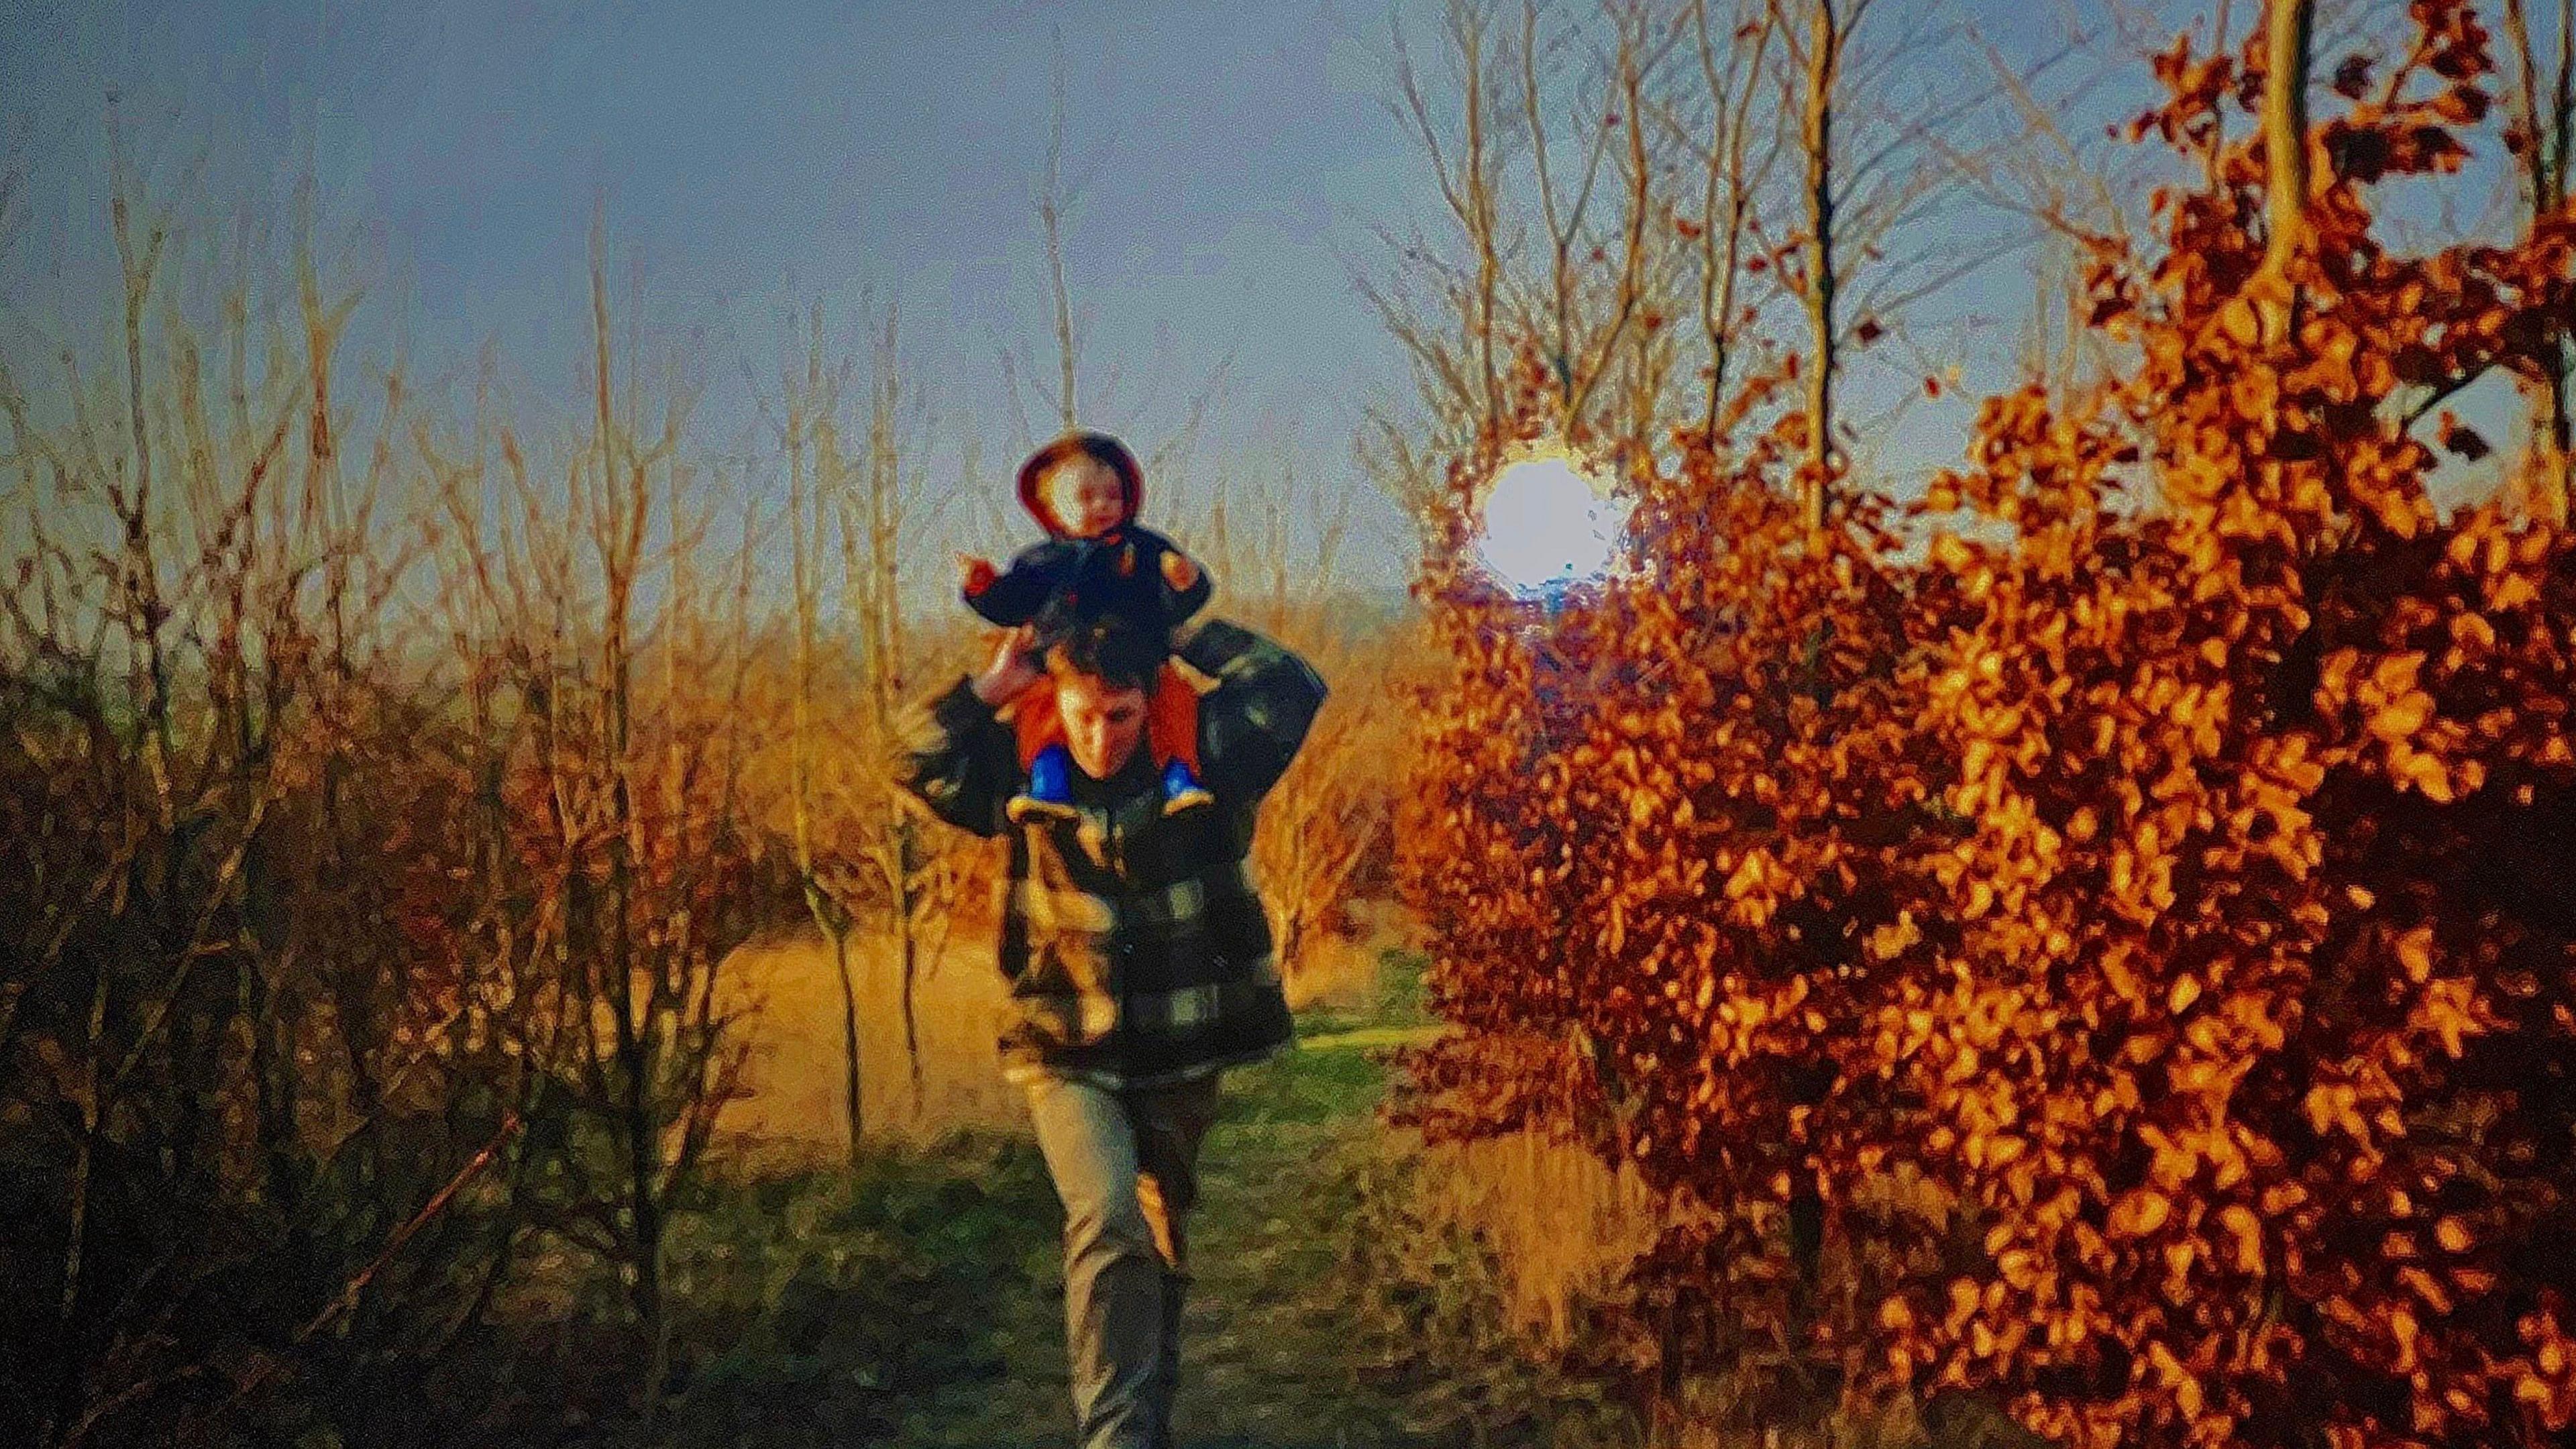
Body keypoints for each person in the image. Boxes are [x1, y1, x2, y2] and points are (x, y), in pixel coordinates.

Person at [890, 602, 1327, 1449]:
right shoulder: (1025, 763)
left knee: (1160, 1244)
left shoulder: (1204, 749)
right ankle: (1114, 1438)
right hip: (1063, 1044)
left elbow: (1294, 686)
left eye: (1120, 715)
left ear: (1149, 700)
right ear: (1061, 704)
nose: (1099, 737)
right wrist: (990, 688)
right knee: (1106, 1216)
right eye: (1083, 715)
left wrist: (1181, 631)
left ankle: (1143, 1424)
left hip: (1184, 1039)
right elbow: (908, 752)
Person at [959, 431, 1215, 820]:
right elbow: (1010, 605)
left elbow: (1175, 604)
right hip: (1061, 668)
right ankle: (1048, 786)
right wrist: (984, 587)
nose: (1102, 506)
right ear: (1053, 508)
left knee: (1176, 704)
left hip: (1139, 665)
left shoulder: (1144, 550)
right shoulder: (1040, 563)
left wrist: (1185, 583)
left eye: (1112, 496)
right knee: (1039, 713)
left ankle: (1181, 781)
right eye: (1085, 497)